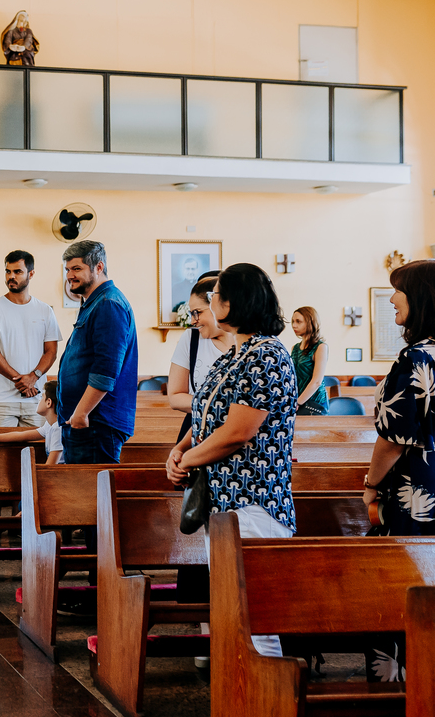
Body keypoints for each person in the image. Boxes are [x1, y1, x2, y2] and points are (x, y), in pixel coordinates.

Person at [166, 263, 297, 658]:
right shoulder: (233, 355)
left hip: (254, 501)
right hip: (224, 504)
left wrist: (188, 459)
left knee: (255, 620)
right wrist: (181, 448)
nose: (211, 300)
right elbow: (208, 414)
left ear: (233, 301)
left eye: (217, 293)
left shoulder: (268, 355)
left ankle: (267, 698)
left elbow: (239, 431)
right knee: (231, 612)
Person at [361, 260, 435, 682]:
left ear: (421, 296)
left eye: (398, 290)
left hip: (419, 494)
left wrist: (371, 485)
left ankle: (403, 690)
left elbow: (393, 437)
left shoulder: (418, 356)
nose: (391, 298)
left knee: (404, 594)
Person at [57, 240, 138, 463]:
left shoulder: (108, 304)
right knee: (83, 495)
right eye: (67, 269)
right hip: (86, 420)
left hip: (95, 422)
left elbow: (106, 368)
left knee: (92, 495)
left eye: (77, 269)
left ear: (98, 267)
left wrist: (81, 413)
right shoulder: (94, 303)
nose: (70, 275)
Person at [0, 250, 61, 427]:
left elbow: (51, 352)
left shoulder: (45, 310)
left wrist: (33, 377)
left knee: (38, 452)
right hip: (1, 399)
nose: (11, 276)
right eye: (8, 271)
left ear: (31, 274)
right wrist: (22, 380)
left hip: (36, 400)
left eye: (18, 272)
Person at [167, 275, 234, 441]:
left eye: (197, 313)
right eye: (191, 313)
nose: (193, 320)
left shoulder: (248, 343)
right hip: (197, 428)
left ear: (218, 306)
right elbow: (175, 396)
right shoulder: (191, 339)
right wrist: (220, 408)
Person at [0, 380, 63, 463]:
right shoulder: (49, 425)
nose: (39, 400)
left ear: (49, 402)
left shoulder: (57, 428)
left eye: (42, 397)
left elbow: (51, 467)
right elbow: (21, 435)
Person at [290, 306, 330, 415]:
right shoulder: (295, 348)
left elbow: (317, 381)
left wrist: (298, 402)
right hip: (297, 401)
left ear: (310, 322)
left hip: (315, 403)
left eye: (298, 321)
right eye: (293, 321)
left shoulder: (320, 347)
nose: (294, 325)